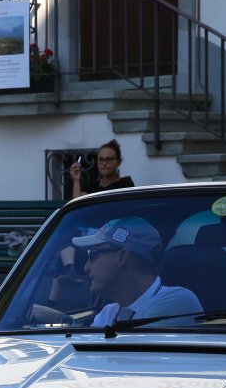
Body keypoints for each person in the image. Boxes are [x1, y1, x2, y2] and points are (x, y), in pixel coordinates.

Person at [72, 217, 201, 327]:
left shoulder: (176, 301)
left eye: (93, 255)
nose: (86, 267)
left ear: (122, 256)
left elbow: (131, 348)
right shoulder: (109, 312)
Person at [69, 140, 135, 200]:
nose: (104, 163)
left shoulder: (125, 184)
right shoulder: (92, 187)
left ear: (118, 162)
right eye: (101, 159)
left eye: (108, 159)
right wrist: (76, 180)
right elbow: (78, 203)